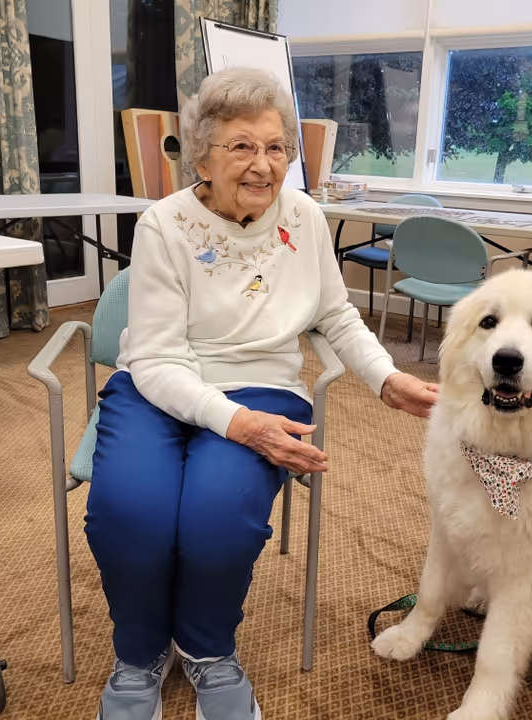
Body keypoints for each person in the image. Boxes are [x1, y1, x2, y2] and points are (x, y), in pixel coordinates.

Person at [85, 66, 438, 720]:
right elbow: (158, 361)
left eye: (276, 147)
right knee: (130, 513)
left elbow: (336, 315)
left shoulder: (303, 217)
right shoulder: (164, 225)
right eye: (241, 146)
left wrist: (385, 377)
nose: (263, 164)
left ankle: (206, 649)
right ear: (202, 155)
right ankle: (138, 655)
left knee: (216, 521)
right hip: (159, 387)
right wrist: (237, 424)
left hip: (263, 385)